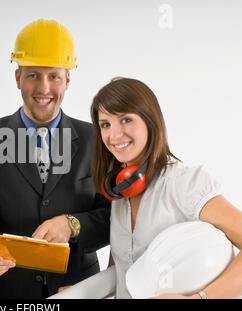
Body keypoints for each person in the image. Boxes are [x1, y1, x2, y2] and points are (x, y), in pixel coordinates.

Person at [0, 19, 111, 299]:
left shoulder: (98, 140)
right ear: (18, 78)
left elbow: (115, 217)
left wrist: (72, 224)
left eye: (53, 76)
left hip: (77, 289)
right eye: (33, 75)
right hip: (6, 292)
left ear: (67, 80)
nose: (44, 88)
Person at [90, 77, 242, 299]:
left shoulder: (185, 183)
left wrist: (201, 298)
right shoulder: (120, 193)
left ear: (150, 120)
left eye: (125, 120)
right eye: (105, 124)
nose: (114, 135)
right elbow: (124, 274)